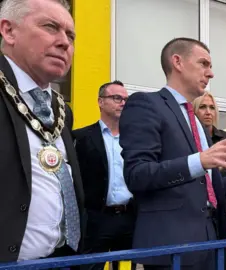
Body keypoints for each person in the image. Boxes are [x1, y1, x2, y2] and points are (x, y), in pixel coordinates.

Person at [119, 37, 226, 270]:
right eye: (204, 64)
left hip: (212, 242)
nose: (210, 73)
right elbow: (137, 174)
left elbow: (201, 183)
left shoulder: (195, 120)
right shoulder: (145, 104)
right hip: (172, 247)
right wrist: (199, 161)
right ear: (177, 62)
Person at [0, 0, 84, 263]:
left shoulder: (60, 108)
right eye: (50, 27)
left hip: (59, 260)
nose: (64, 43)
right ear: (8, 31)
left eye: (70, 35)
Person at [73, 80, 135, 270]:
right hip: (96, 220)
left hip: (130, 217)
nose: (123, 103)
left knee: (137, 264)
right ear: (100, 102)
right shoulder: (80, 137)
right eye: (117, 98)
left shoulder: (136, 139)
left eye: (126, 99)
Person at [193, 92, 226, 270]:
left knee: (220, 264)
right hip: (194, 215)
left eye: (211, 107)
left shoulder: (225, 139)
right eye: (202, 107)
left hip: (220, 214)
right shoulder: (188, 139)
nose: (208, 112)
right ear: (193, 111)